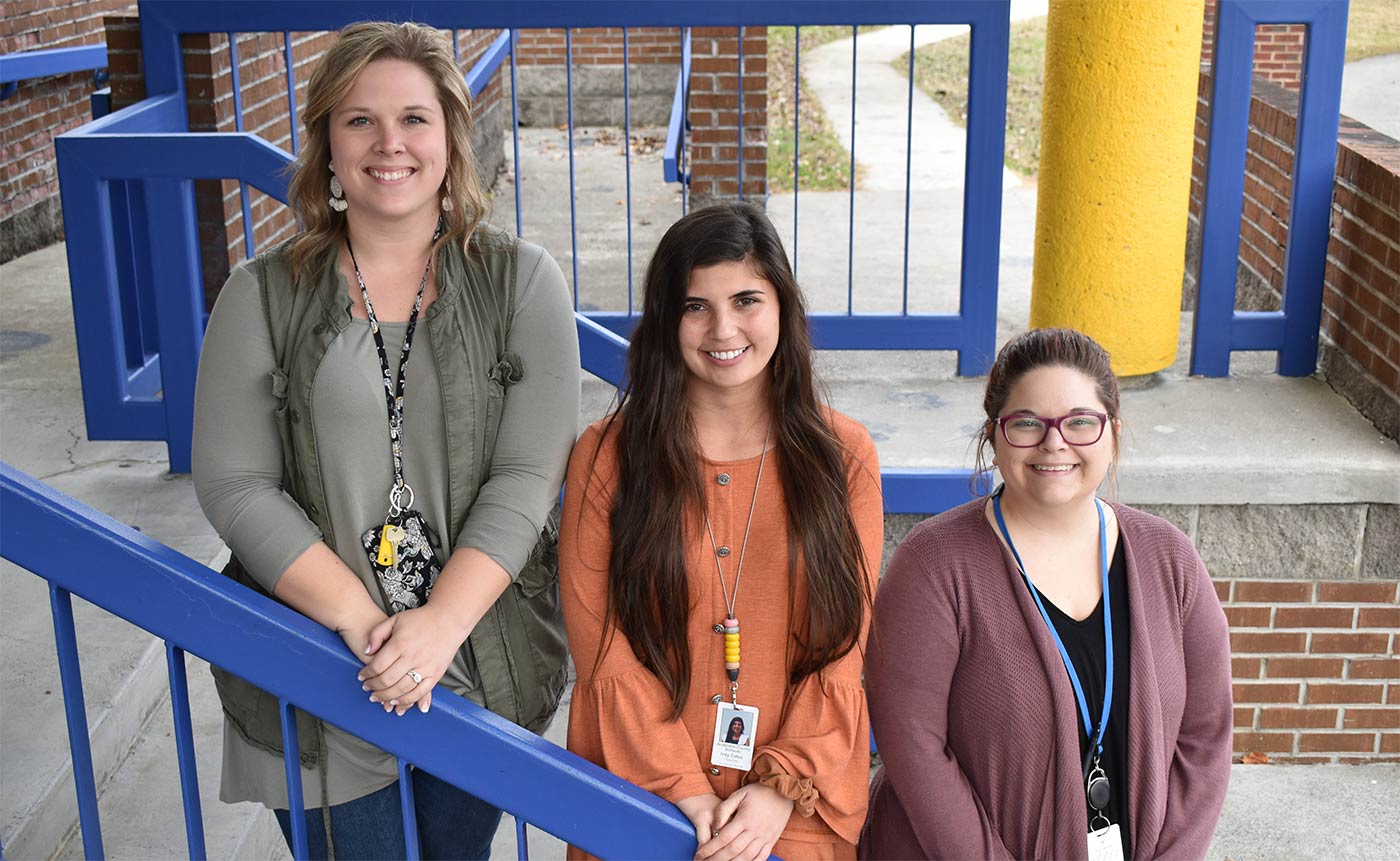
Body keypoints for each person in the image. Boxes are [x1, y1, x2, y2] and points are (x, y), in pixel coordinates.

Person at [192, 21, 579, 860]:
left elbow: (526, 472)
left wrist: (437, 627)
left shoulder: (522, 282)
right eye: (359, 119)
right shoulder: (263, 295)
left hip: (479, 658)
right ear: (326, 143)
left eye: (414, 117)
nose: (388, 143)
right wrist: (374, 632)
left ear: (450, 137)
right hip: (323, 666)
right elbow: (235, 483)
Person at [561, 203, 883, 861]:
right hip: (640, 790)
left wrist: (778, 786)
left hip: (793, 808)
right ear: (665, 320)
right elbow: (603, 648)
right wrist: (683, 789)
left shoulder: (843, 454)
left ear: (782, 308)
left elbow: (844, 645)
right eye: (694, 306)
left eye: (745, 299)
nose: (723, 327)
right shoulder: (607, 455)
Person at [861, 328, 1233, 860]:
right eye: (1027, 423)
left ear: (1113, 435)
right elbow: (914, 750)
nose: (1054, 442)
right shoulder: (934, 564)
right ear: (994, 436)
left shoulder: (1169, 558)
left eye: (1081, 422)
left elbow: (1206, 738)